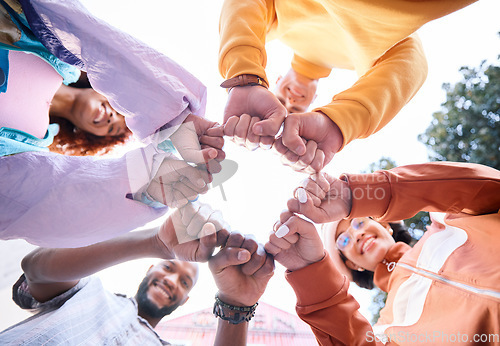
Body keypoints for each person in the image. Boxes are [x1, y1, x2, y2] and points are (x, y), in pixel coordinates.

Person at [0, 0, 225, 247]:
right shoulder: (51, 40)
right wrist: (174, 118)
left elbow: (37, 197)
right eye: (119, 112)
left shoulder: (23, 149)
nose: (110, 117)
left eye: (110, 128)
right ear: (105, 89)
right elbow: (89, 36)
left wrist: (143, 181)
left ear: (86, 134)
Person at [218, 0, 477, 173]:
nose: (291, 99)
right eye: (297, 107)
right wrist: (338, 122)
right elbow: (412, 62)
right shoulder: (364, 61)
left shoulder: (275, 23)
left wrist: (245, 76)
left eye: (281, 100)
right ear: (313, 101)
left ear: (275, 81)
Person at [267, 162, 500, 345]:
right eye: (344, 240)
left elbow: (492, 187)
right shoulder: (385, 328)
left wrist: (355, 195)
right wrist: (309, 270)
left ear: (385, 226)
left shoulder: (447, 217)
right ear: (353, 266)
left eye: (358, 223)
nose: (356, 235)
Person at [0, 203, 274, 345]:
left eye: (184, 282)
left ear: (185, 300)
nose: (170, 280)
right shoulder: (87, 289)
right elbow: (35, 268)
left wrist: (236, 307)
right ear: (150, 268)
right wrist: (156, 242)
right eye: (168, 267)